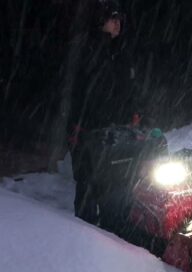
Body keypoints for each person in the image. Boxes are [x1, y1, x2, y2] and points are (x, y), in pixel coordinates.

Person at [69, 0, 139, 225]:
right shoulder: (88, 48)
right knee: (88, 181)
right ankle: (84, 231)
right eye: (113, 19)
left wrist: (133, 112)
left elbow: (127, 86)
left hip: (115, 127)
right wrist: (78, 126)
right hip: (89, 128)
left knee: (115, 180)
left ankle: (111, 230)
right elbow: (79, 89)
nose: (117, 24)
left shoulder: (120, 50)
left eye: (119, 20)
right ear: (101, 21)